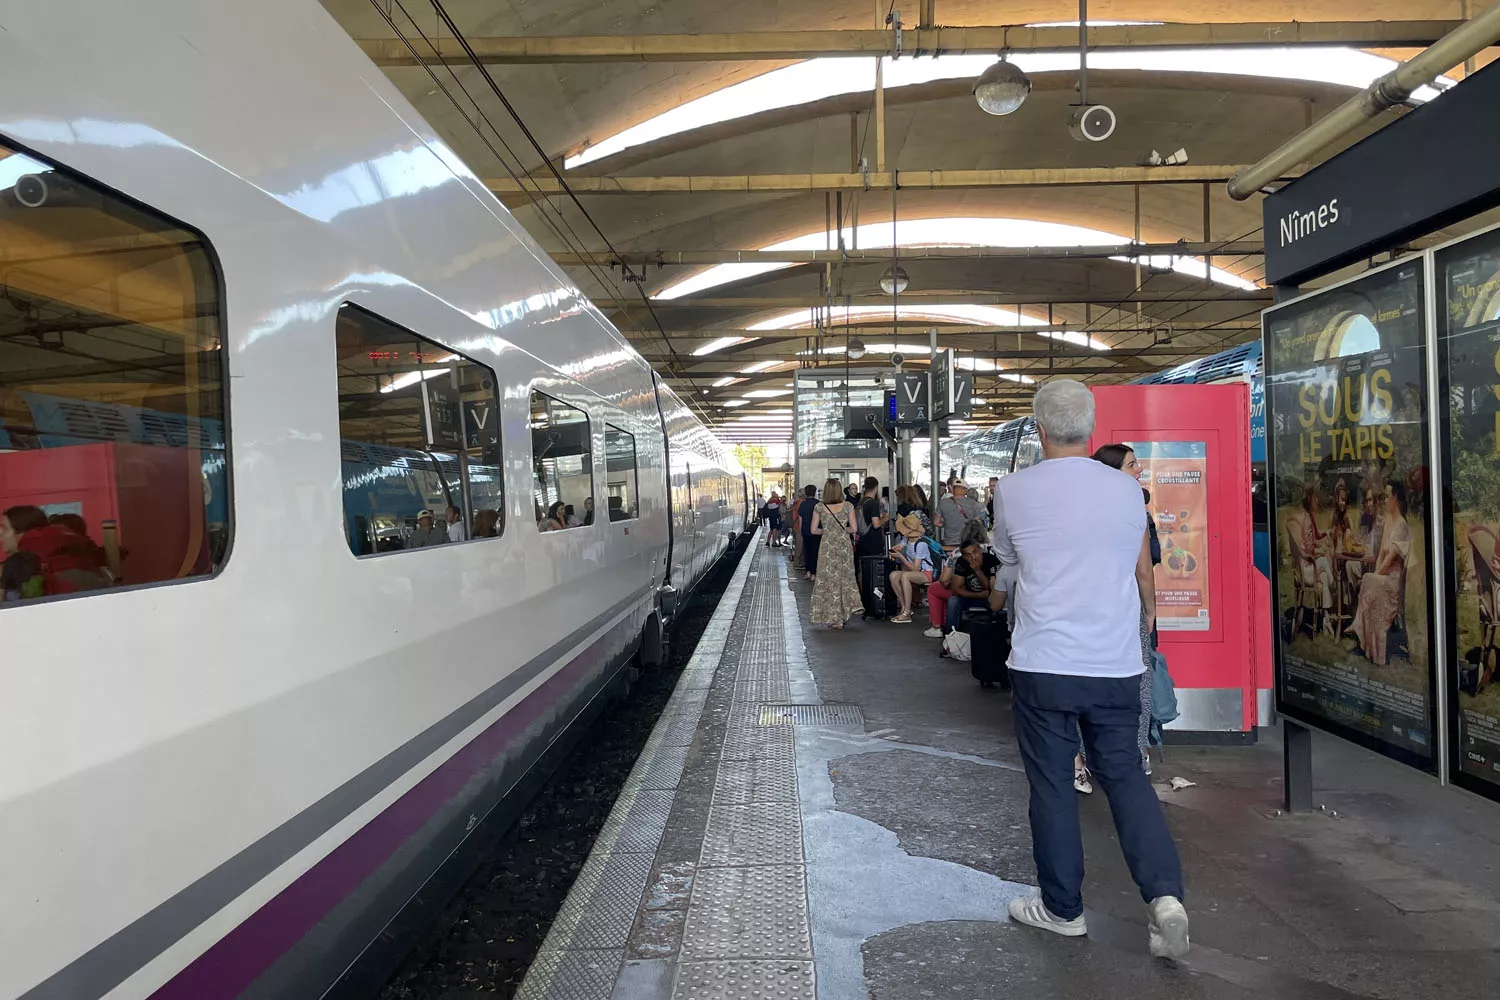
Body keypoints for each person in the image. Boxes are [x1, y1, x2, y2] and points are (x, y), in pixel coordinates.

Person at [992, 379, 1188, 959]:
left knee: (1053, 784)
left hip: (1044, 662)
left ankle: (1062, 909)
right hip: (1115, 663)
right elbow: (1135, 563)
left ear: (1040, 428)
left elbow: (1007, 558)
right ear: (1092, 427)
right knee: (1125, 777)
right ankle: (1165, 898)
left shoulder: (1011, 489)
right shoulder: (1128, 493)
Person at [1088, 443, 1161, 783]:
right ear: (1115, 472)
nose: (1139, 470)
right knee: (1138, 678)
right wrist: (1150, 611)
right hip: (1124, 605)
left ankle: (1087, 753)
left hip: (1087, 605)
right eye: (1132, 465)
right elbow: (1143, 570)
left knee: (1088, 677)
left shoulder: (1084, 509)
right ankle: (1135, 751)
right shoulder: (1132, 509)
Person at [1349, 482, 1412, 665]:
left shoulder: (1401, 525)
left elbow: (1390, 560)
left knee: (1368, 579)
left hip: (1393, 581)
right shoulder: (1388, 523)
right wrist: (1376, 575)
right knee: (1369, 579)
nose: (1384, 500)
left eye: (1386, 496)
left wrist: (1376, 576)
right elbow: (1380, 558)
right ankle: (1366, 639)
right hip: (1383, 575)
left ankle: (1358, 626)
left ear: (1395, 499)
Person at [0, 505, 111, 594]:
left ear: (22, 533)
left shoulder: (16, 567)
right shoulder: (84, 561)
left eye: (4, 528)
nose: (0, 534)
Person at [809, 478, 861, 630]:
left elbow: (813, 530)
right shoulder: (848, 506)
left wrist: (827, 532)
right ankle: (842, 615)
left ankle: (832, 616)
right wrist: (842, 531)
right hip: (844, 546)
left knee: (828, 580)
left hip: (827, 547)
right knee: (844, 579)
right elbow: (854, 528)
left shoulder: (819, 507)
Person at [888, 514, 934, 624]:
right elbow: (899, 546)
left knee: (905, 576)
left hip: (926, 573)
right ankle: (905, 608)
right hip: (916, 572)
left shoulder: (921, 544)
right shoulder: (907, 538)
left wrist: (901, 557)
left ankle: (907, 612)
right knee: (893, 575)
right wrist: (894, 550)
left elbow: (915, 568)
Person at [935, 479, 985, 553]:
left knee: (950, 562)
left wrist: (947, 524)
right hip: (967, 541)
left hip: (949, 542)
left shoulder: (943, 502)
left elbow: (936, 522)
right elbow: (978, 523)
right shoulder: (972, 503)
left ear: (953, 489)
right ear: (965, 491)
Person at [854, 476, 887, 561]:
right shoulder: (873, 503)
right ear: (876, 488)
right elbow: (876, 524)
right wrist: (887, 518)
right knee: (874, 568)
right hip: (873, 541)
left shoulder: (861, 502)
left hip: (862, 538)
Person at [798, 485, 821, 581]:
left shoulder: (803, 504)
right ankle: (814, 574)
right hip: (817, 531)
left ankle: (808, 572)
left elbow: (800, 519)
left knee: (807, 551)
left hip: (806, 531)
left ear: (806, 493)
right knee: (815, 552)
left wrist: (801, 531)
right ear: (815, 492)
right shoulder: (819, 504)